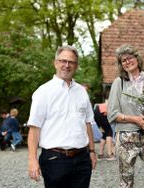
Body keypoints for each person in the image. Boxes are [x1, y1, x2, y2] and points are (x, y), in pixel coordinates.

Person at [27, 45, 96, 188]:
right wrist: (32, 160)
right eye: (63, 61)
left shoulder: (82, 92)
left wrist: (92, 151)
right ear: (55, 63)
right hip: (54, 159)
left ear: (76, 66)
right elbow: (34, 128)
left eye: (71, 62)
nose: (67, 65)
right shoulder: (43, 92)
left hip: (82, 159)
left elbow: (87, 123)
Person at [107, 44, 144, 188]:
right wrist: (135, 119)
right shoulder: (119, 82)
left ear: (137, 58)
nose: (127, 62)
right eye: (123, 60)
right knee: (126, 183)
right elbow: (112, 114)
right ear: (121, 65)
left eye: (130, 58)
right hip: (126, 138)